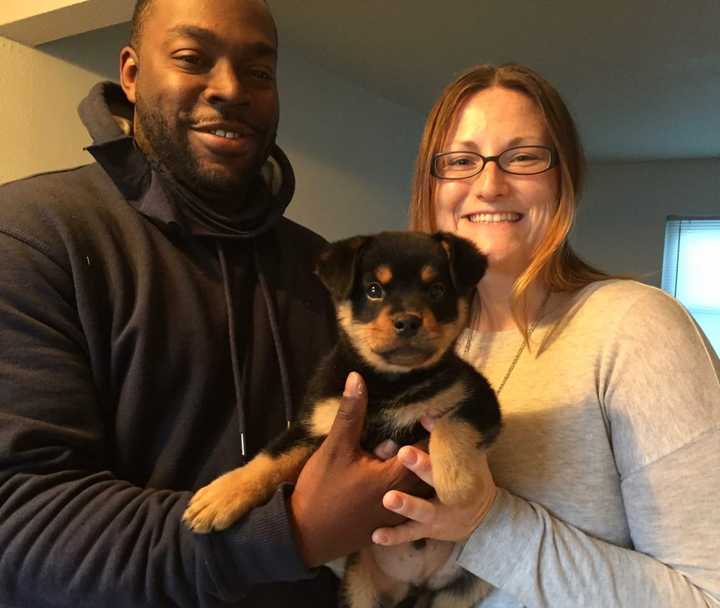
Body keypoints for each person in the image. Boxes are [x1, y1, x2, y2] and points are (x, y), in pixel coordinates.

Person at [0, 1, 421, 606]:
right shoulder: (36, 237)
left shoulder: (324, 272)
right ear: (132, 73)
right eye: (193, 59)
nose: (230, 90)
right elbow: (24, 523)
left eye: (259, 72)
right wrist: (292, 530)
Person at [370, 64, 720, 607]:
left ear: (564, 178)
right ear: (430, 185)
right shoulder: (413, 347)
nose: (489, 184)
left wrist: (489, 523)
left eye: (524, 157)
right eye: (460, 161)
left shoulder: (636, 330)